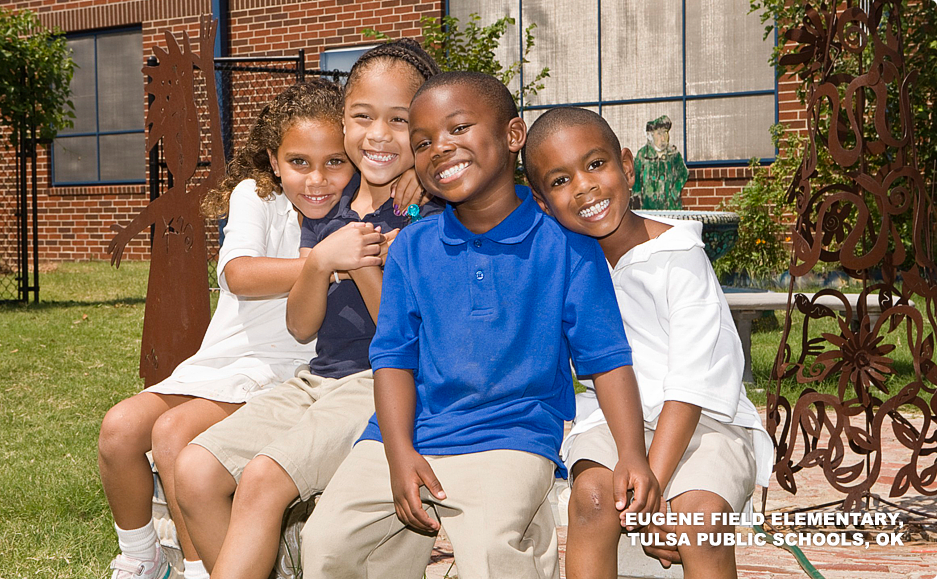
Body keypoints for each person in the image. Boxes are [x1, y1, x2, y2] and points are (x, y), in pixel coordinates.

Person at [300, 72, 658, 579]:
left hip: (512, 434)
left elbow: (607, 359)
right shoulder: (411, 250)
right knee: (326, 542)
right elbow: (394, 357)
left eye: (459, 128)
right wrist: (399, 452)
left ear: (514, 136)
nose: (439, 148)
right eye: (422, 142)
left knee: (493, 553)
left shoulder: (567, 247)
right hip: (407, 432)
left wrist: (632, 456)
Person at [173, 39, 441, 579]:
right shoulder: (333, 203)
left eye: (399, 120)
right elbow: (301, 327)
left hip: (382, 382)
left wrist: (361, 261)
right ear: (344, 121)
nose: (378, 135)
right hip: (316, 375)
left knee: (263, 480)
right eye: (362, 117)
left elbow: (407, 336)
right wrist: (320, 263)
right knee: (195, 470)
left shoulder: (426, 212)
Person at [97, 79, 360, 579]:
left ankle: (199, 566)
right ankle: (142, 556)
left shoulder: (355, 213)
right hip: (223, 359)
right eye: (299, 162)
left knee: (173, 432)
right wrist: (321, 264)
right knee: (119, 429)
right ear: (273, 160)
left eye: (335, 162)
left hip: (287, 368)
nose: (317, 179)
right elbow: (239, 274)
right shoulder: (257, 196)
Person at [523, 106, 774, 579]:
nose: (584, 186)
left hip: (706, 419)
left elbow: (692, 382)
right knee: (595, 499)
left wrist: (651, 484)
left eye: (596, 164)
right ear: (541, 201)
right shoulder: (566, 263)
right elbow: (486, 197)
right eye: (559, 181)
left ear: (627, 164)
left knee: (700, 523)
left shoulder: (678, 255)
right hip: (615, 421)